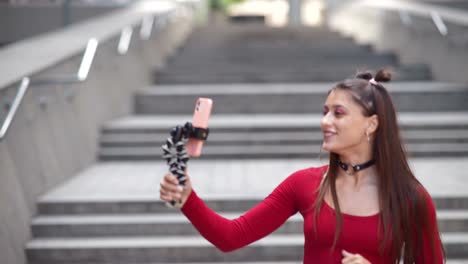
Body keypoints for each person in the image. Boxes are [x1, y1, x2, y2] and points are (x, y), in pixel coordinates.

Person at [159, 69, 446, 264]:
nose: (325, 122)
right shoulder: (305, 184)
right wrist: (188, 199)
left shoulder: (411, 199)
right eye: (324, 112)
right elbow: (231, 236)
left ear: (371, 124)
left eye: (338, 113)